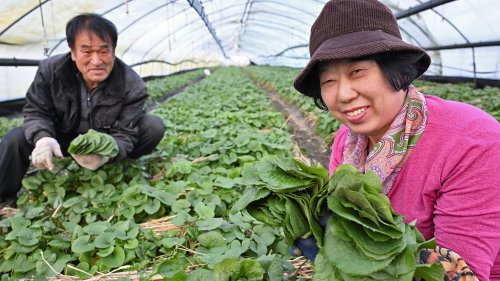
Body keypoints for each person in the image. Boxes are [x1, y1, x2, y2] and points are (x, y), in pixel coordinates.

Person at [291, 0, 500, 280]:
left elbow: (455, 273)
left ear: (396, 70)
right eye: (328, 81)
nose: (343, 94)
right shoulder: (347, 140)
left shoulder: (472, 141)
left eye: (358, 72)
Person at [0, 13, 165, 208]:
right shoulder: (51, 70)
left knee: (153, 126)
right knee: (14, 139)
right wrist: (43, 138)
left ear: (113, 51)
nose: (96, 61)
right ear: (73, 52)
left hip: (101, 141)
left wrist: (107, 154)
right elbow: (37, 110)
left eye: (104, 51)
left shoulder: (132, 84)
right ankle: (4, 199)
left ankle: (115, 168)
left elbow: (125, 133)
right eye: (87, 51)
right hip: (61, 137)